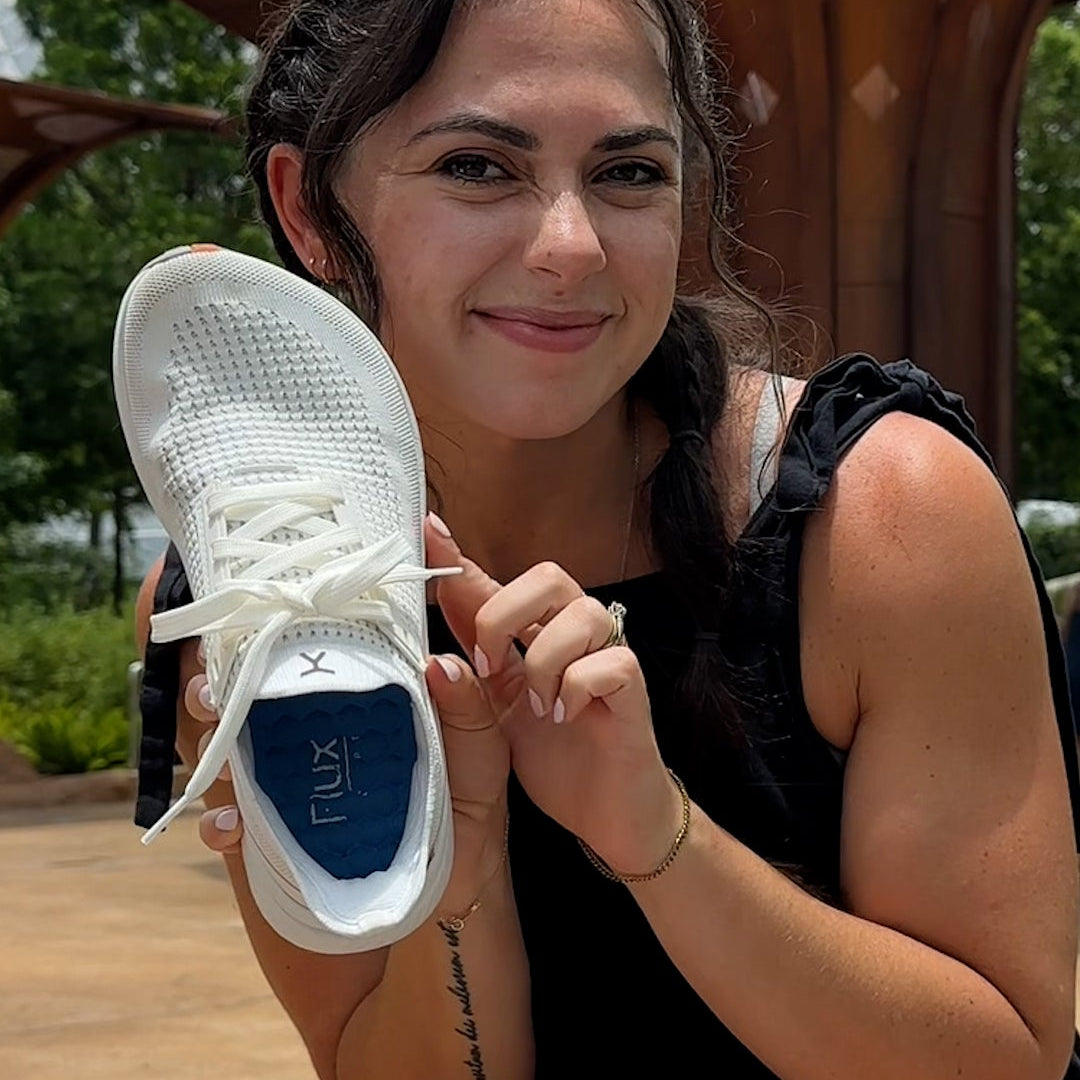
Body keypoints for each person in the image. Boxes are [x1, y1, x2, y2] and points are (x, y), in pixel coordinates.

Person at [133, 0, 1080, 1077]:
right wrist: (461, 873)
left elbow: (1008, 1060)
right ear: (308, 208)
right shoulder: (254, 606)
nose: (571, 247)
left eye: (629, 173)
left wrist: (651, 833)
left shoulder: (882, 513)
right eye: (477, 167)